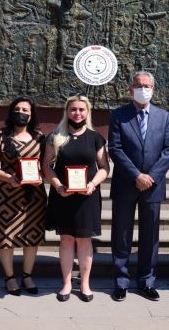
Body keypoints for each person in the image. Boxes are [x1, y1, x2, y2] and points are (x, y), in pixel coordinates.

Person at [108, 71, 169, 301]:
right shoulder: (119, 115)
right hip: (126, 183)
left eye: (147, 86)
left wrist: (151, 177)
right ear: (130, 89)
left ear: (153, 90)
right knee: (121, 235)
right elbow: (115, 148)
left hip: (152, 187)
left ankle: (147, 281)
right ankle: (121, 282)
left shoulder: (163, 116)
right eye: (138, 85)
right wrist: (136, 175)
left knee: (150, 236)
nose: (143, 89)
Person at [43, 94, 110, 302]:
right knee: (66, 239)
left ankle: (85, 283)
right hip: (63, 194)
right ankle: (66, 283)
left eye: (81, 109)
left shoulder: (95, 137)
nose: (77, 113)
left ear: (87, 112)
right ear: (66, 111)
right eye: (73, 109)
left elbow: (104, 168)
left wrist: (93, 184)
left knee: (84, 240)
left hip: (87, 196)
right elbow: (46, 165)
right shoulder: (56, 136)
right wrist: (58, 186)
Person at [0, 97, 47, 296]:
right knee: (6, 236)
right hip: (7, 195)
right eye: (18, 109)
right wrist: (8, 178)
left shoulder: (40, 137)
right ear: (12, 111)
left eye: (26, 110)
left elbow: (47, 165)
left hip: (34, 197)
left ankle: (27, 275)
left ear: (31, 114)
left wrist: (42, 176)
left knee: (31, 236)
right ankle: (10, 277)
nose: (21, 113)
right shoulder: (0, 137)